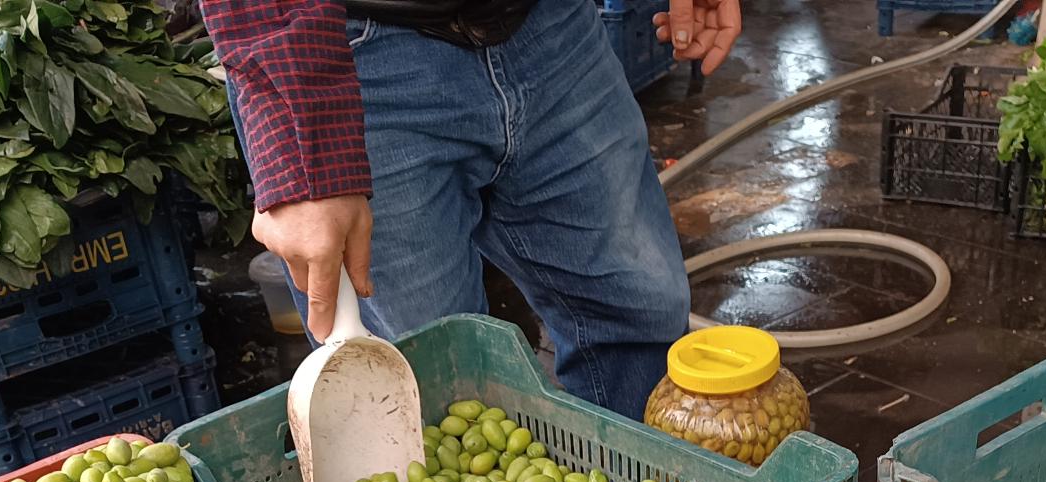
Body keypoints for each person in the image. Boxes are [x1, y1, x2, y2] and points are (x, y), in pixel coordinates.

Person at [201, 0, 743, 418]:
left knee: (637, 317)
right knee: (427, 390)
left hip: (550, 26)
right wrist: (304, 151)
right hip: (352, 54)